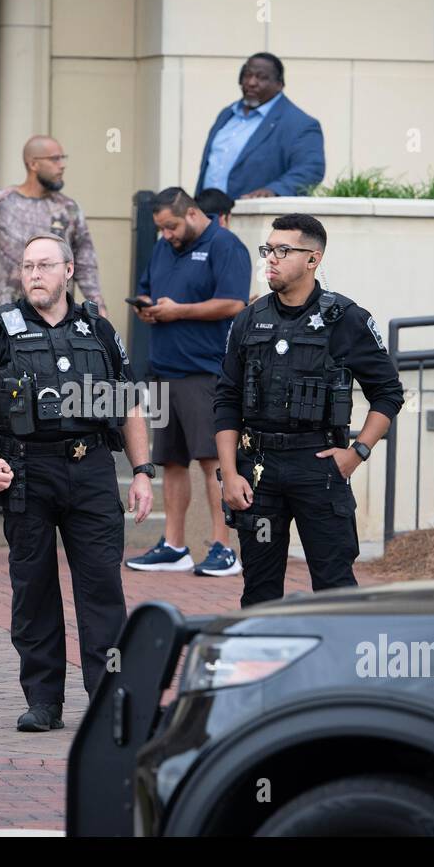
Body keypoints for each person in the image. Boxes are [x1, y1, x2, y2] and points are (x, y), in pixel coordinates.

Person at [0, 233, 154, 731]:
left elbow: (126, 403)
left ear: (68, 271)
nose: (35, 275)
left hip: (91, 471)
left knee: (102, 589)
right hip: (26, 472)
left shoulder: (99, 329)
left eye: (44, 266)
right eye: (27, 267)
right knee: (34, 590)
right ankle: (44, 703)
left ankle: (108, 700)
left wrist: (143, 472)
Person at [215, 213, 404, 608]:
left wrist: (358, 453)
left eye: (283, 250)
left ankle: (340, 669)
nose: (272, 258)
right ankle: (265, 668)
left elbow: (387, 392)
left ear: (313, 259)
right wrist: (230, 474)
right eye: (268, 250)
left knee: (334, 586)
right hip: (260, 470)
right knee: (260, 590)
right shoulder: (249, 319)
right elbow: (227, 398)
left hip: (318, 467)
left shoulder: (346, 319)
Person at [125, 188, 248, 577]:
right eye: (161, 228)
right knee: (172, 461)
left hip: (205, 372)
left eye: (171, 226)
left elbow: (233, 304)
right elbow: (147, 287)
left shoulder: (226, 246)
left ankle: (222, 547)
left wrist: (178, 312)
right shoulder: (164, 247)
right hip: (164, 369)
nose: (166, 235)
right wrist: (148, 308)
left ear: (193, 213)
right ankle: (175, 545)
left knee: (213, 460)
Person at [0, 135, 104, 331]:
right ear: (33, 164)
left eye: (63, 158)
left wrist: (98, 307)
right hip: (7, 320)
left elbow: (85, 264)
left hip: (57, 322)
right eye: (55, 159)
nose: (62, 165)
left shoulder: (68, 209)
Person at [195, 53, 325, 201]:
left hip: (250, 217)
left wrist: (273, 190)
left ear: (279, 84)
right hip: (206, 214)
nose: (251, 82)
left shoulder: (300, 124)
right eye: (247, 75)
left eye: (261, 77)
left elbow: (310, 170)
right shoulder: (227, 114)